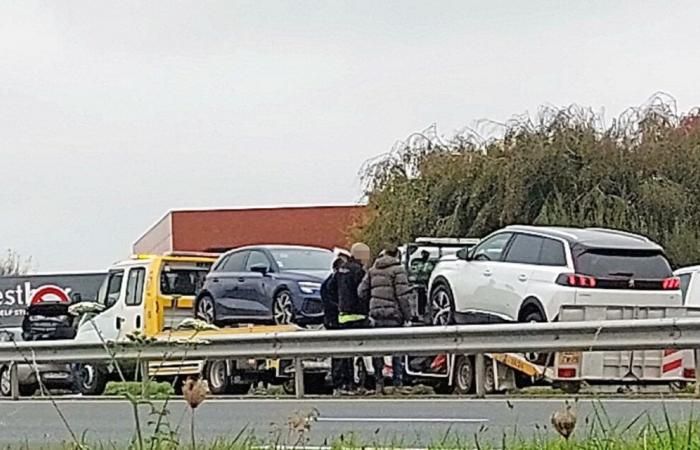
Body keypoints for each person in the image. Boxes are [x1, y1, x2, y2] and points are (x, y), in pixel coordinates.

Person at [358, 244, 412, 392]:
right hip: (393, 316)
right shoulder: (398, 270)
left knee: (378, 349)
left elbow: (361, 292)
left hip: (376, 316)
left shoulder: (372, 271)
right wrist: (408, 316)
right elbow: (403, 296)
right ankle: (397, 383)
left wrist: (372, 303)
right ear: (396, 255)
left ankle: (378, 382)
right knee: (396, 350)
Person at [328, 242, 371, 393]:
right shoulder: (359, 271)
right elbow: (363, 292)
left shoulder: (340, 270)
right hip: (359, 316)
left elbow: (330, 289)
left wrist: (339, 304)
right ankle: (359, 384)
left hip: (343, 317)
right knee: (361, 352)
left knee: (346, 354)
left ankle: (348, 383)